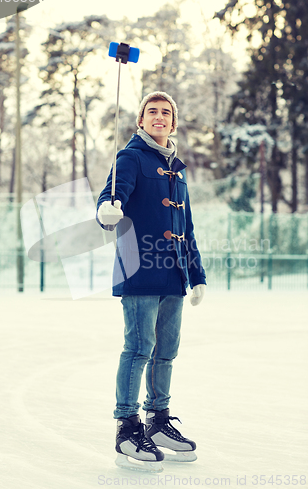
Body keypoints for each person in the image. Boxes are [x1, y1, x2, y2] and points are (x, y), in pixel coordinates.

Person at [96, 91, 206, 471]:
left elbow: (185, 226)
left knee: (166, 351)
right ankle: (127, 426)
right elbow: (110, 200)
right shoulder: (130, 157)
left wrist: (197, 274)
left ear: (173, 123)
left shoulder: (177, 168)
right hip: (139, 268)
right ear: (141, 120)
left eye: (166, 112)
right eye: (151, 111)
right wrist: (107, 211)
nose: (159, 117)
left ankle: (159, 421)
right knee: (139, 347)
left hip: (173, 274)